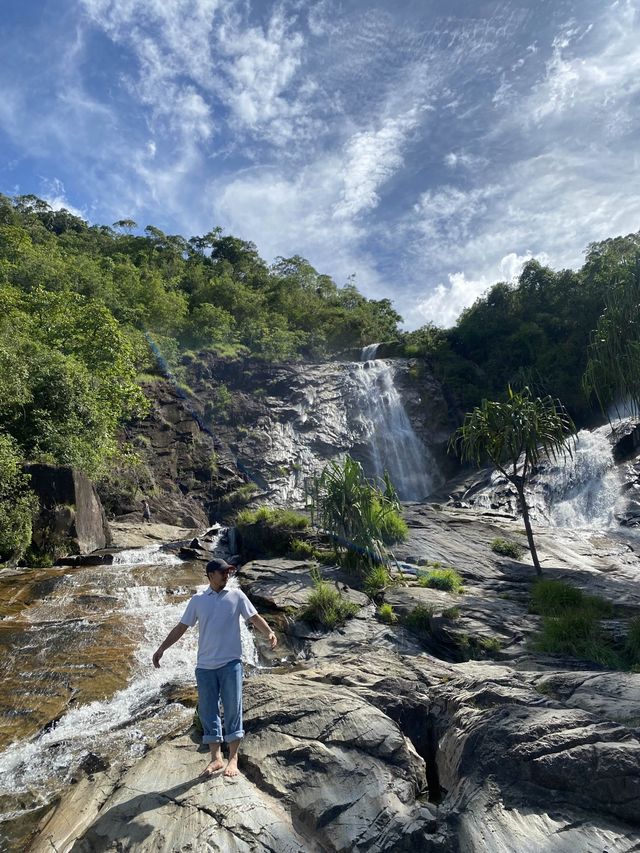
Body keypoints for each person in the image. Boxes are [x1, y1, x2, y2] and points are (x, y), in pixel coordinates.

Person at [152, 557, 277, 777]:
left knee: (233, 710)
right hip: (205, 667)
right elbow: (181, 627)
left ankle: (233, 759)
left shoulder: (237, 595)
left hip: (231, 663)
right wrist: (162, 648)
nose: (226, 576)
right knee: (209, 713)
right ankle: (216, 759)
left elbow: (254, 617)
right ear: (210, 575)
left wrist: (269, 632)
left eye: (228, 572)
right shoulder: (198, 600)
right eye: (222, 573)